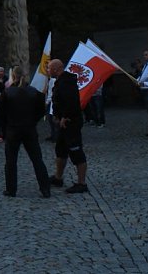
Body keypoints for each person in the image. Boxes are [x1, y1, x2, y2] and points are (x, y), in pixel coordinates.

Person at [0, 66, 51, 198]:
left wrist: (3, 128)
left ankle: (11, 189)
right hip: (29, 129)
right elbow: (40, 110)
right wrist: (32, 121)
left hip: (13, 129)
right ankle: (45, 189)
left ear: (13, 76)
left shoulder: (8, 93)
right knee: (37, 160)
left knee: (11, 161)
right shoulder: (33, 92)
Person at [47, 59, 89, 194]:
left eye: (49, 68)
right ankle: (58, 178)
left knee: (76, 151)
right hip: (63, 122)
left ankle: (82, 183)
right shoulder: (60, 81)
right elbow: (59, 100)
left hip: (71, 122)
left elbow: (70, 101)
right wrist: (57, 116)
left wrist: (64, 116)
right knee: (60, 150)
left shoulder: (67, 82)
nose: (47, 71)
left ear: (56, 68)